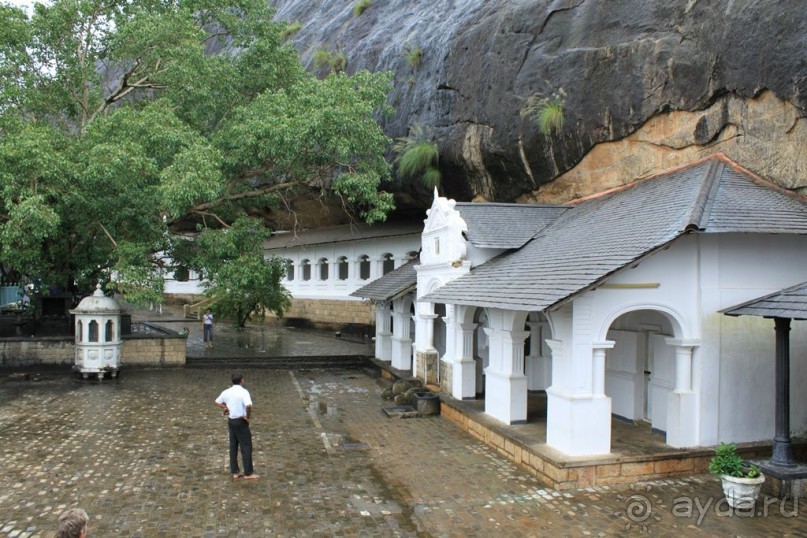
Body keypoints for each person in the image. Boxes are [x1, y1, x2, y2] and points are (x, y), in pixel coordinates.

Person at [214, 372, 259, 480]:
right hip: (241, 421)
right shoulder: (244, 392)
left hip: (231, 421)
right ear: (241, 380)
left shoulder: (227, 391)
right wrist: (248, 417)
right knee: (246, 446)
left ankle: (235, 471)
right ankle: (248, 472)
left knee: (233, 446)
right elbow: (248, 405)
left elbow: (217, 401)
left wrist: (226, 408)